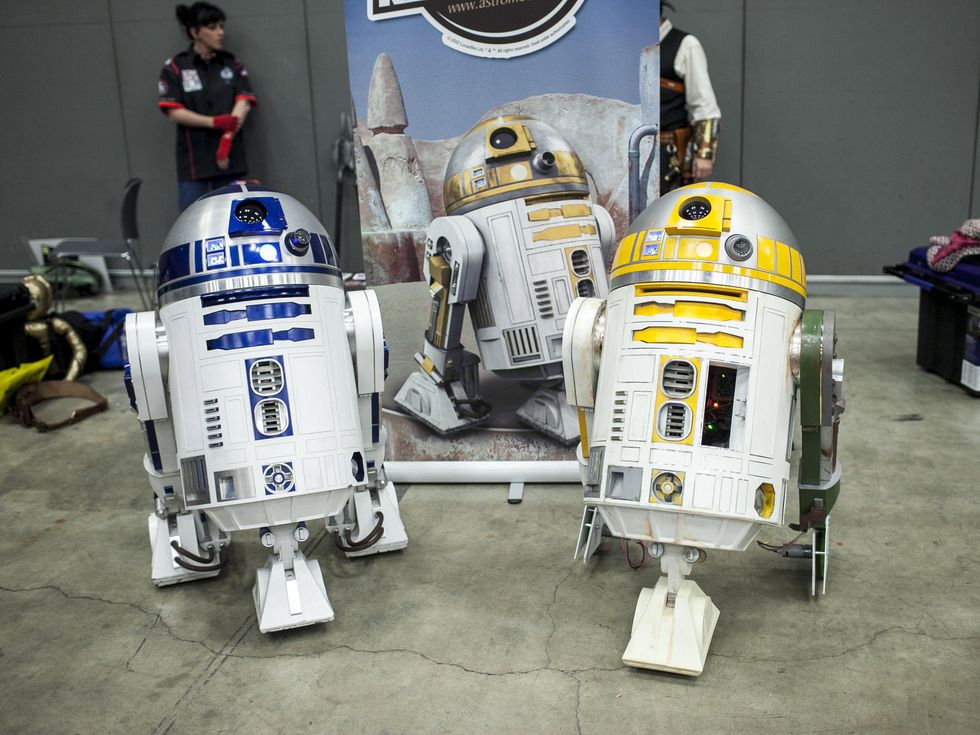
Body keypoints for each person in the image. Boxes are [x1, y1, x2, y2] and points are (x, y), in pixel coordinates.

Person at [158, 3, 257, 211]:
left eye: (221, 26)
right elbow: (173, 112)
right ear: (195, 32)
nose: (220, 33)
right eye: (212, 28)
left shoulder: (232, 64)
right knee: (193, 221)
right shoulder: (175, 67)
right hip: (194, 166)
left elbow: (244, 103)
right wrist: (214, 122)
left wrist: (227, 137)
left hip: (230, 162)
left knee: (234, 220)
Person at [659, 1, 721, 193]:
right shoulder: (631, 44)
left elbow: (704, 105)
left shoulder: (686, 44)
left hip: (668, 155)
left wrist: (704, 154)